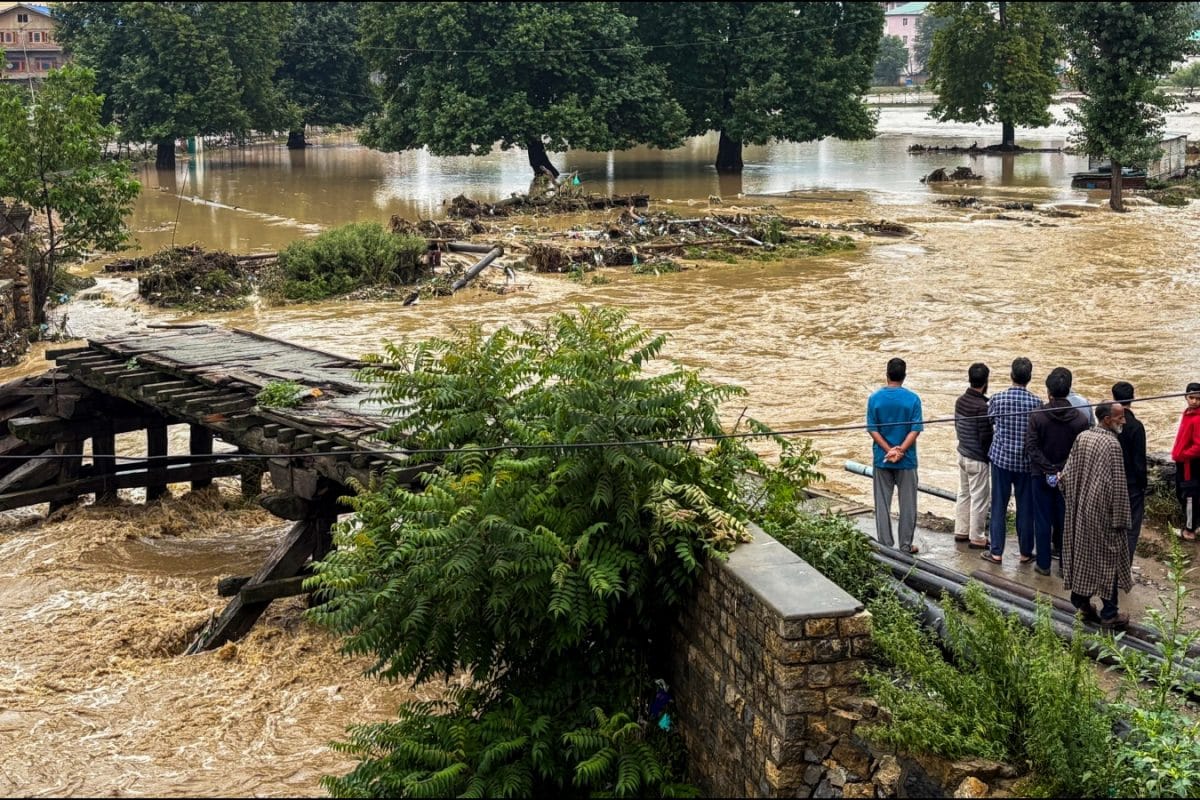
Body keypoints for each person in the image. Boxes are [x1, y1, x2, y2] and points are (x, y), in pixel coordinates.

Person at [1060, 401, 1131, 629]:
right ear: (1107, 419)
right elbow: (1118, 486)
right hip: (1103, 516)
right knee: (1107, 562)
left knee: (1082, 558)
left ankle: (1081, 603)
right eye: (1120, 417)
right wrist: (1121, 520)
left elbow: (1067, 475)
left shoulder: (1084, 437)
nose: (1124, 421)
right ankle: (1109, 614)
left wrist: (1074, 501)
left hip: (1080, 511)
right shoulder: (1112, 444)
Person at [1025, 367, 1088, 576]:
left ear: (1049, 393)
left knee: (1042, 519)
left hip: (1041, 475)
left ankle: (1043, 564)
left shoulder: (1037, 416)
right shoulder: (1080, 420)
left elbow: (1032, 448)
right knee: (1066, 520)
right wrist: (1062, 470)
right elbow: (1080, 452)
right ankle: (1065, 565)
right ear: (1069, 390)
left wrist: (1049, 469)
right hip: (1068, 478)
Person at [982, 357, 1040, 565]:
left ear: (1011, 375)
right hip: (1025, 463)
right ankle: (1025, 552)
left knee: (999, 505)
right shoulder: (1037, 403)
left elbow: (989, 422)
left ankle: (996, 552)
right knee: (1025, 509)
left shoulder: (997, 399)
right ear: (1029, 378)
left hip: (1001, 460)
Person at [867, 357, 924, 554]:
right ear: (904, 376)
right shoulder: (913, 399)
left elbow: (872, 429)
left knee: (882, 503)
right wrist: (901, 450)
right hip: (906, 460)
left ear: (887, 375)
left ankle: (885, 544)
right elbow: (915, 429)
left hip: (882, 459)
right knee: (908, 504)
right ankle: (906, 545)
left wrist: (888, 450)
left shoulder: (874, 398)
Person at [954, 363, 992, 549]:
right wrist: (988, 456)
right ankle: (977, 537)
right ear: (986, 382)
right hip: (977, 458)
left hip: (962, 454)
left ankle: (961, 530)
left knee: (964, 493)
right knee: (979, 498)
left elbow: (957, 426)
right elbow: (985, 437)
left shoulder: (960, 401)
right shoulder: (983, 406)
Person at [1112, 381, 1147, 556]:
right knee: (1131, 528)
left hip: (1112, 483)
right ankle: (1125, 564)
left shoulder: (1108, 423)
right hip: (1132, 485)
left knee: (1112, 526)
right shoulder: (1136, 426)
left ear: (1113, 398)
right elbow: (1139, 461)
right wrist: (1143, 485)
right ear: (1132, 399)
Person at [1171, 383, 1200, 542]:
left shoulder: (1197, 417)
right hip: (1184, 461)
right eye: (1191, 397)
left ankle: (1189, 530)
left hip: (1190, 464)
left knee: (1189, 497)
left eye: (1198, 398)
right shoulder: (1188, 413)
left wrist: (1182, 455)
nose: (1194, 401)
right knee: (1185, 494)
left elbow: (1199, 446)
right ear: (1185, 397)